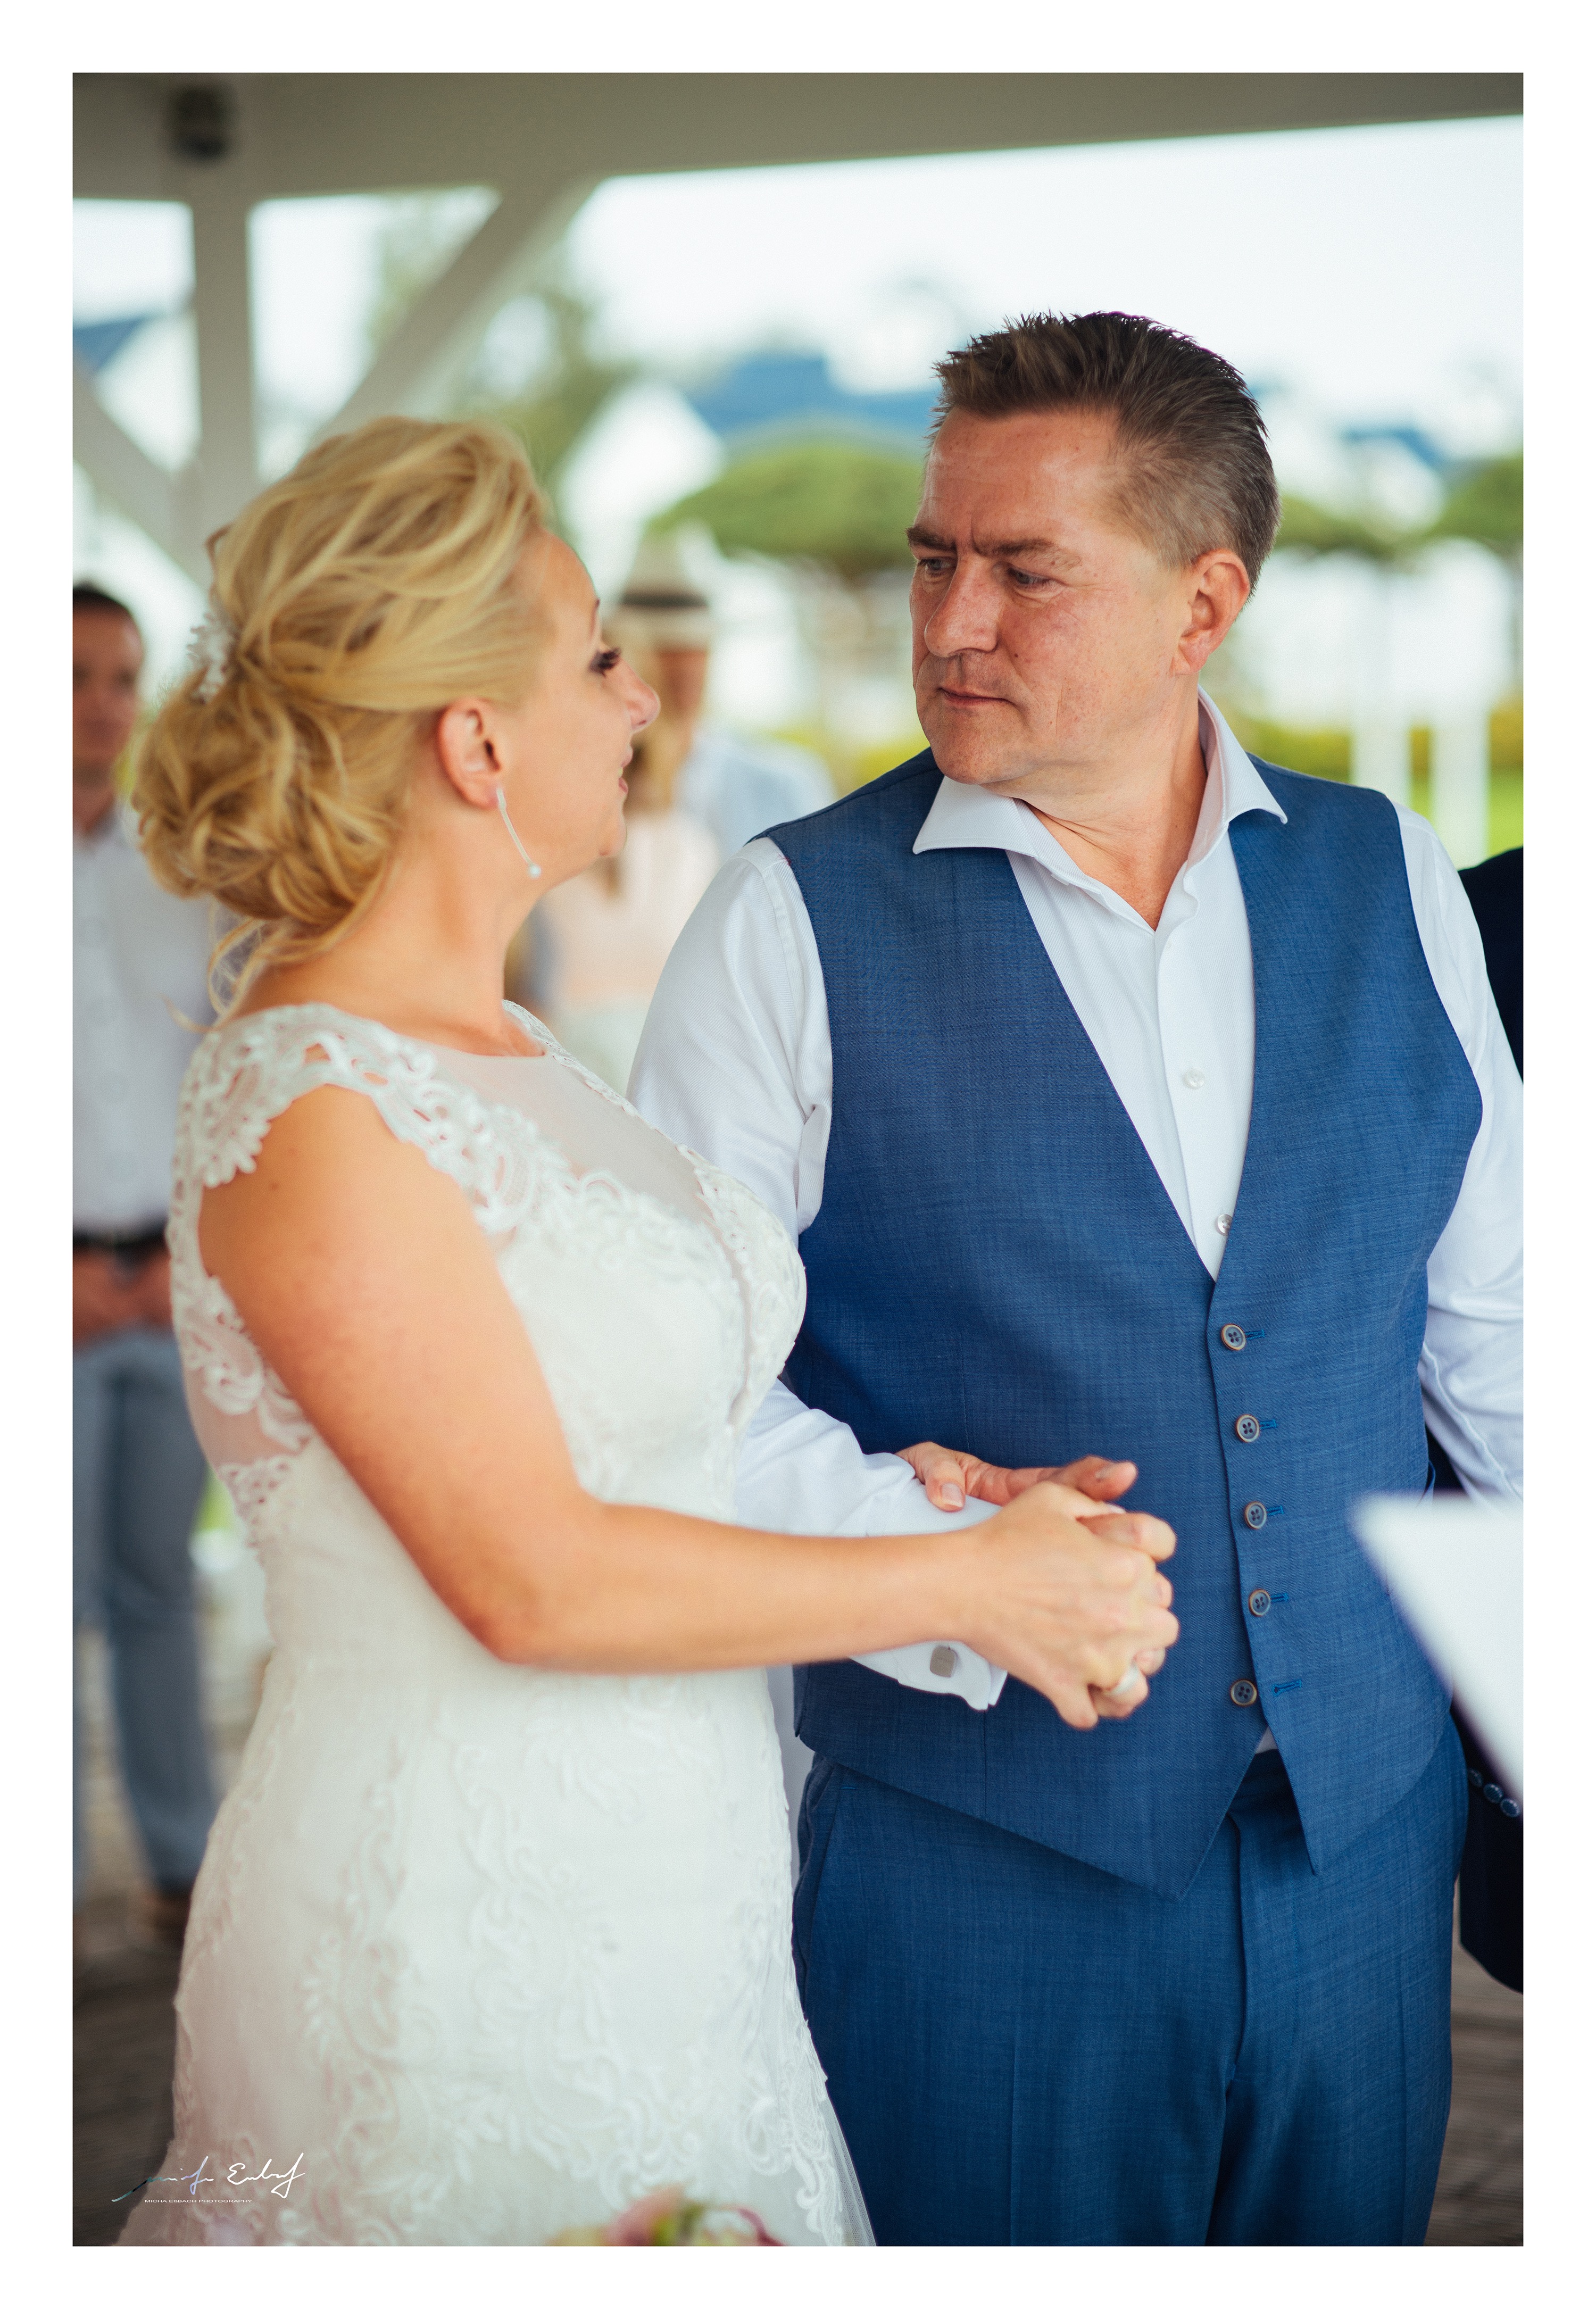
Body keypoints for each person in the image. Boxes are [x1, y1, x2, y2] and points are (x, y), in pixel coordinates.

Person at [117, 416, 1178, 2246]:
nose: (639, 700)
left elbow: (642, 1442)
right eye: (598, 655)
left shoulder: (522, 1055)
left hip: (674, 1900)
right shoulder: (311, 1106)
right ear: (474, 742)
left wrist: (924, 1502)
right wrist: (970, 1590)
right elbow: (527, 1575)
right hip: (454, 1942)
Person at [630, 313, 1524, 2247]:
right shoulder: (786, 916)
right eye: (931, 560)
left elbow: (1508, 1345)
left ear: (1205, 602)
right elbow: (671, 1396)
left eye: (1024, 572)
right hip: (977, 1864)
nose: (950, 622)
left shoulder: (1390, 878)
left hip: (1363, 1855)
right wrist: (943, 1561)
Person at [73, 582, 218, 1953]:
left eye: (122, 677)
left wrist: (189, 1250)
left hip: (170, 1286)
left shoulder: (180, 875)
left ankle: (183, 1865)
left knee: (160, 1583)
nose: (103, 706)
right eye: (72, 677)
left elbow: (226, 1064)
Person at [516, 536, 833, 1093]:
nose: (682, 667)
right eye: (663, 648)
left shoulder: (784, 784)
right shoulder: (556, 809)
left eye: (696, 646)